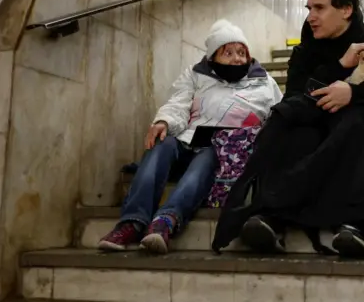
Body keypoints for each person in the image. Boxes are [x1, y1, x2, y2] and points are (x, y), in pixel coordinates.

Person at [211, 0, 364, 257]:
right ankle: (272, 216)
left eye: (320, 8)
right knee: (289, 124)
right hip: (319, 131)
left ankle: (358, 224)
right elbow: (295, 98)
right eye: (309, 9)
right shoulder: (306, 53)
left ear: (346, 10)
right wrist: (340, 66)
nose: (311, 17)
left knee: (356, 120)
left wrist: (354, 93)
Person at [98, 19, 282, 254]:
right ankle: (132, 222)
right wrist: (163, 121)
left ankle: (165, 221)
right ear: (213, 57)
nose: (237, 59)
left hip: (222, 148)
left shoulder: (264, 82)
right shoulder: (196, 76)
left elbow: (278, 116)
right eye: (228, 53)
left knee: (207, 158)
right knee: (161, 144)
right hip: (189, 138)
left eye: (241, 52)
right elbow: (178, 103)